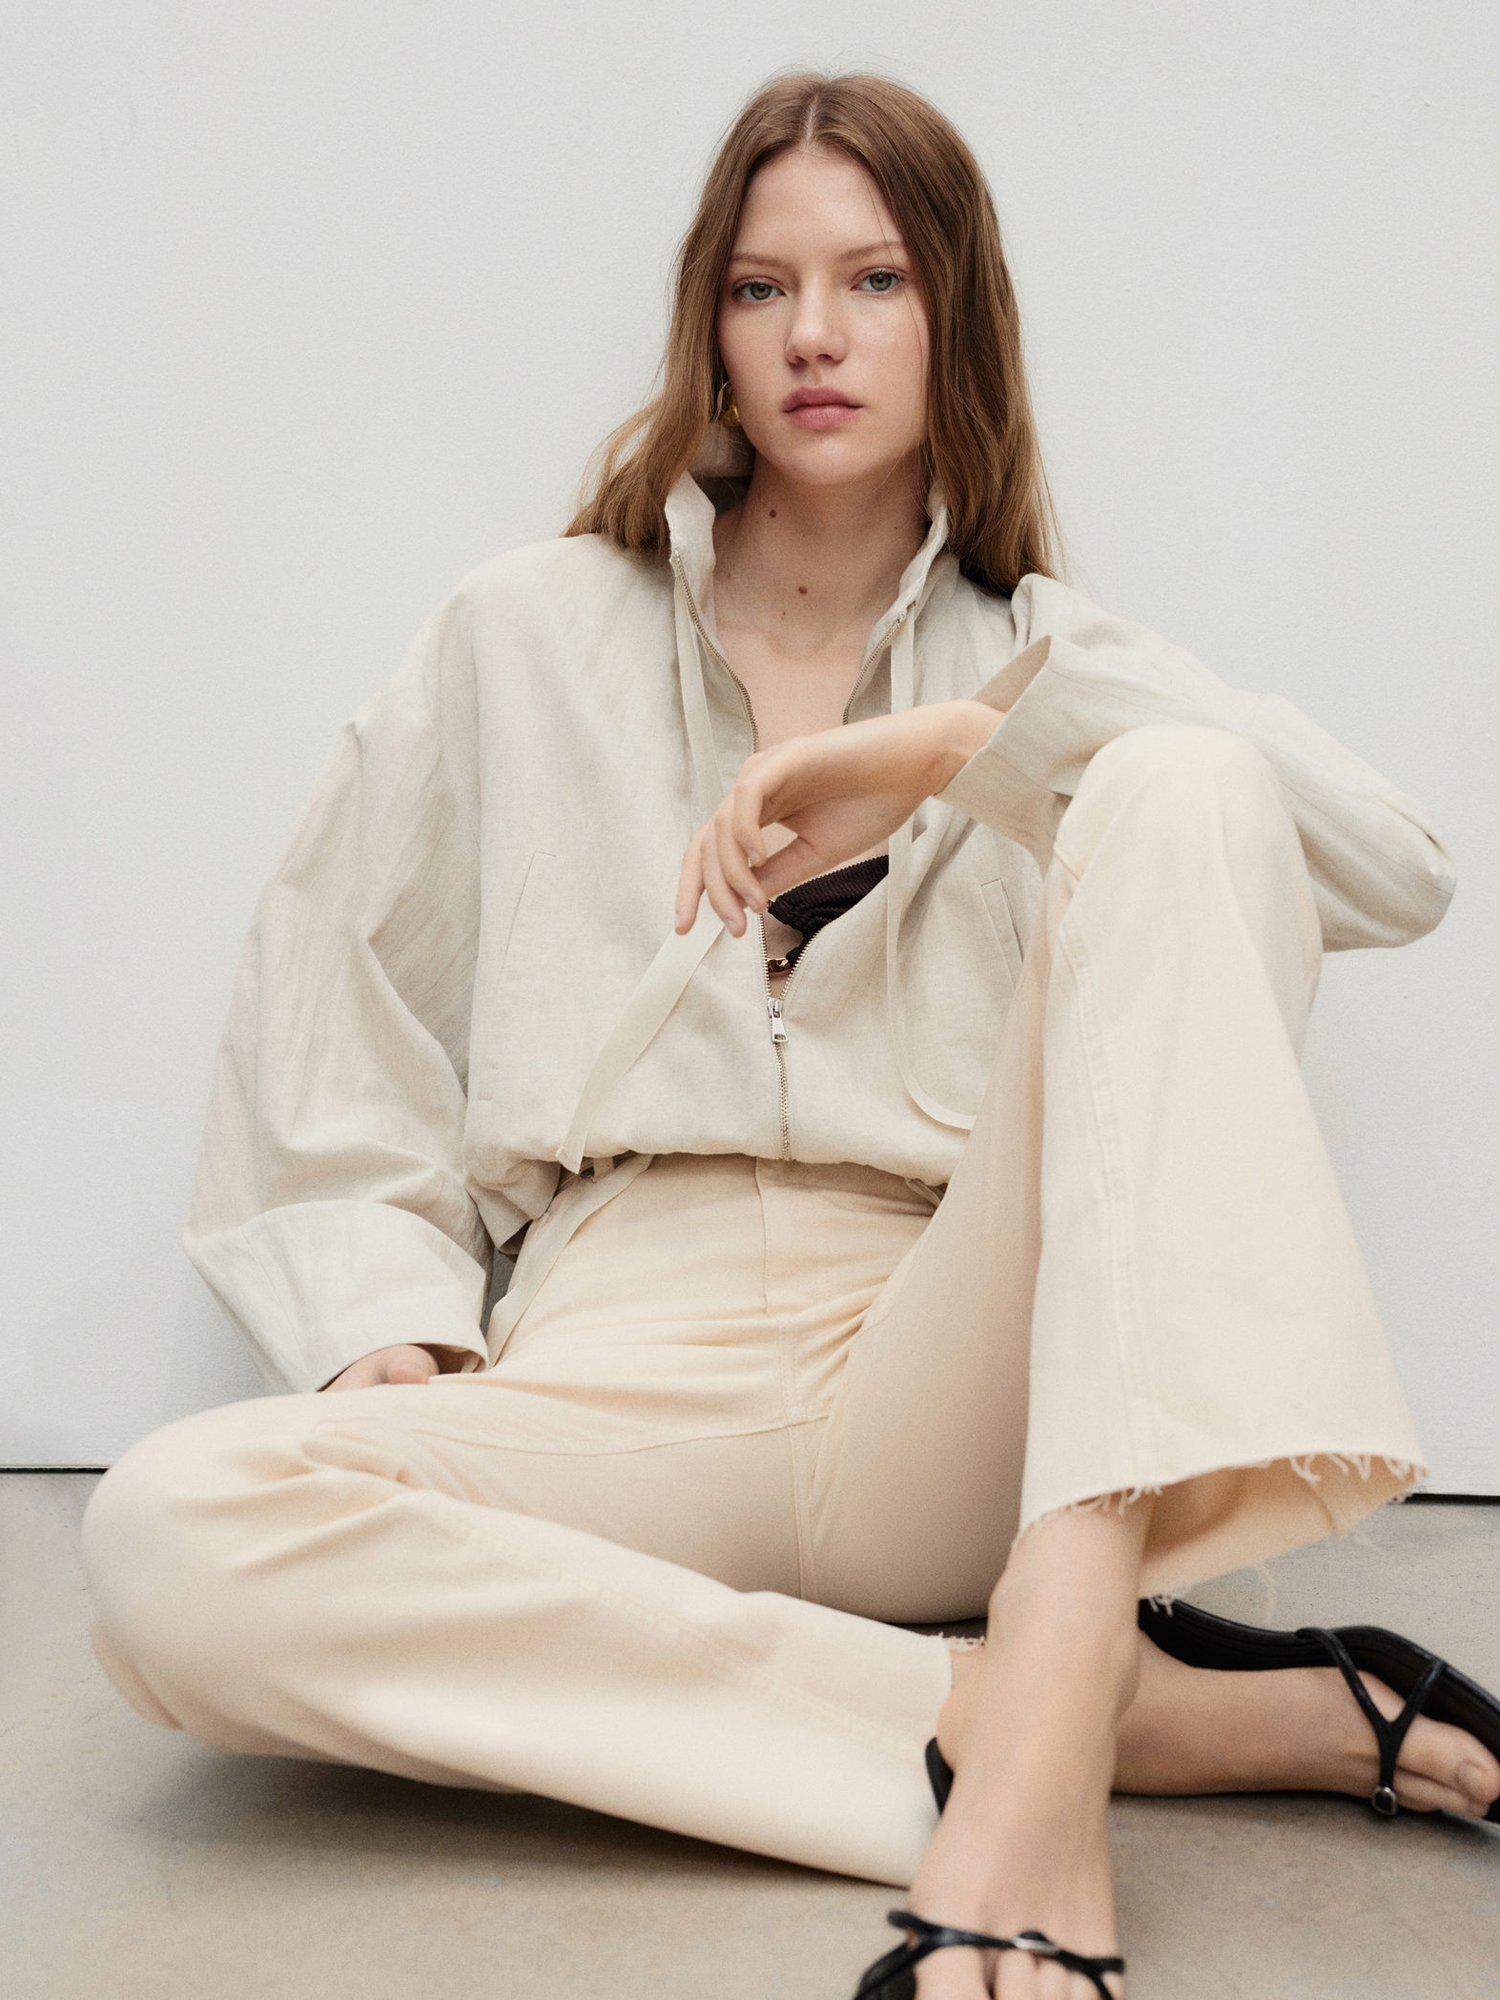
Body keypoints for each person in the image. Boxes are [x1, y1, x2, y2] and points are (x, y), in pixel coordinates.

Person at [79, 70, 1497, 2000]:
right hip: (624, 1359)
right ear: (713, 330)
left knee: (1183, 785)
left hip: (952, 1368)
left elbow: (1394, 866)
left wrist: (965, 746)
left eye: (875, 281)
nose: (815, 334)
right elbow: (339, 998)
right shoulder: (520, 634)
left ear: (953, 316)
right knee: (168, 1535)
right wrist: (382, 1319)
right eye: (763, 288)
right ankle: (1060, 1707)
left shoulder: (1041, 649)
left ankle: (1056, 1662)